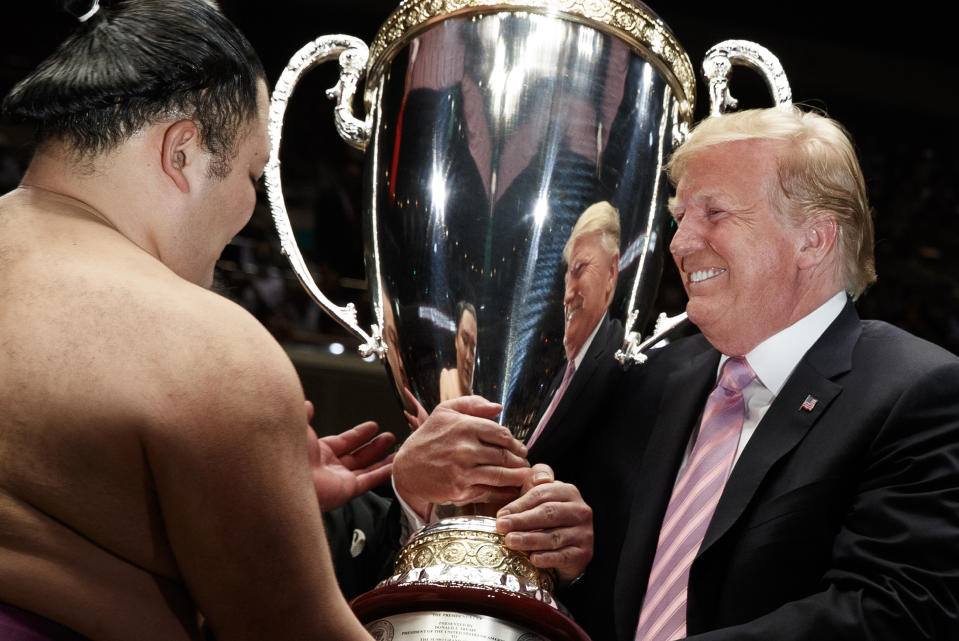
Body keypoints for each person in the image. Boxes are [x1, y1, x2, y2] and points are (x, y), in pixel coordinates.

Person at [0, 2, 398, 639]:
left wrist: (258, 500)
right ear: (181, 152)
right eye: (250, 173)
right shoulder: (207, 350)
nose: (250, 205)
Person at [598, 106, 959, 640]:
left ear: (813, 239)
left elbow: (897, 612)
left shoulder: (920, 392)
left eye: (713, 212)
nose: (678, 243)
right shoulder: (658, 380)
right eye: (679, 217)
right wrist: (576, 554)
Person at [438, 301, 478, 401]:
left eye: (473, 350)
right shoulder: (447, 378)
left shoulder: (475, 400)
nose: (469, 358)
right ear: (456, 340)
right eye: (464, 341)